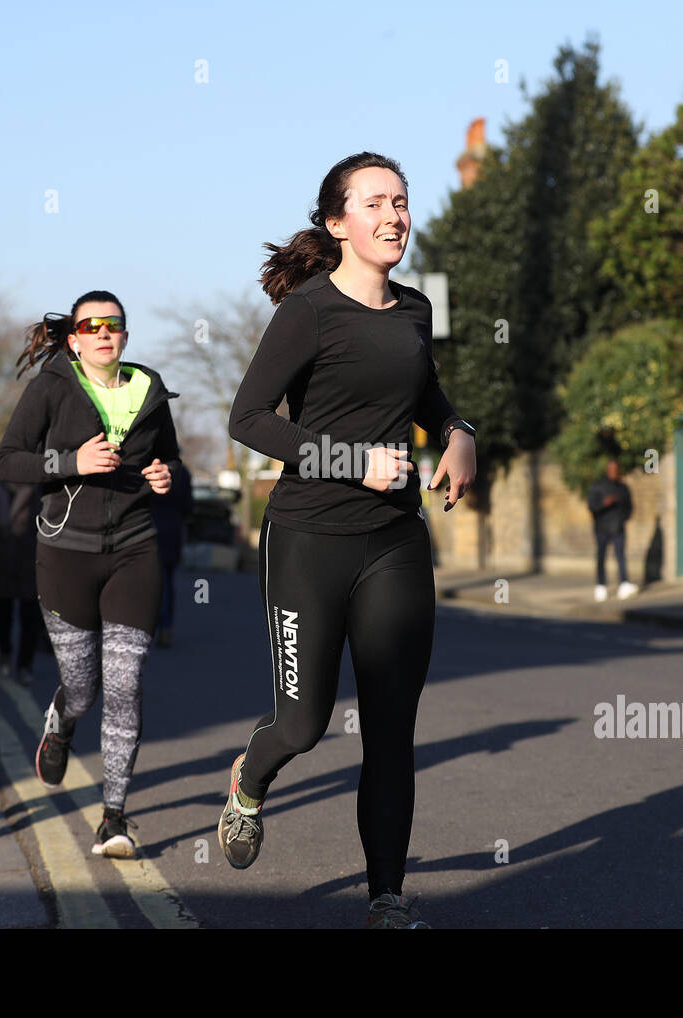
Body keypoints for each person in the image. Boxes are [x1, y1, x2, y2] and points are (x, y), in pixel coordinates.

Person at [217, 152, 477, 929]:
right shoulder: (308, 311)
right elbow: (249, 418)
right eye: (375, 203)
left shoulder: (415, 310)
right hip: (309, 539)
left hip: (395, 540)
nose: (395, 214)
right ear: (338, 224)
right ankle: (249, 781)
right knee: (303, 722)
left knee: (393, 725)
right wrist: (347, 460)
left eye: (401, 200)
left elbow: (424, 391)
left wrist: (459, 431)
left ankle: (385, 899)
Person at [0, 289, 179, 858]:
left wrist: (164, 475)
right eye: (91, 325)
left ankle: (114, 818)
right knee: (83, 687)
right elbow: (6, 461)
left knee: (125, 682)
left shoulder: (149, 389)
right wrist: (69, 463)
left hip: (134, 549)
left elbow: (168, 457)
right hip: (65, 552)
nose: (103, 333)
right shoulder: (50, 387)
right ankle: (62, 721)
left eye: (114, 324)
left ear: (124, 334)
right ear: (73, 339)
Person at [0, 474, 42, 685]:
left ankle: (24, 666)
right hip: (0, 565)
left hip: (31, 566)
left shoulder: (39, 493)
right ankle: (5, 652)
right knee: (0, 621)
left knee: (31, 622)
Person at [149, 460, 193, 648]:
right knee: (167, 579)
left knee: (153, 582)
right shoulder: (182, 473)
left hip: (151, 526)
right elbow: (188, 506)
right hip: (173, 528)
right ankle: (166, 627)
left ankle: (151, 625)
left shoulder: (149, 467)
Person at [587, 459, 636, 601]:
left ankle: (624, 583)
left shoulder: (623, 488)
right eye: (612, 469)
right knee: (601, 557)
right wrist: (604, 504)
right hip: (602, 528)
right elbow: (592, 506)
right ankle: (601, 586)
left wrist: (623, 519)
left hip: (618, 527)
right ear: (607, 470)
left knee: (621, 556)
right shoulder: (598, 486)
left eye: (616, 469)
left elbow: (629, 507)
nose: (614, 472)